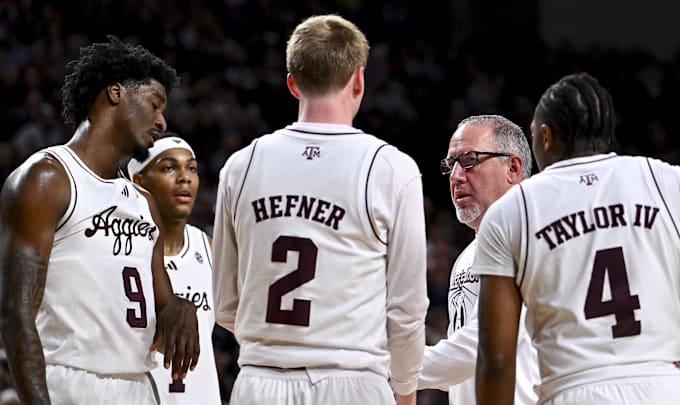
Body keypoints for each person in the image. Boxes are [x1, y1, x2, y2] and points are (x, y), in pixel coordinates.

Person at [212, 14, 428, 405]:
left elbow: (226, 304)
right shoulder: (390, 167)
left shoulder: (241, 166)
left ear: (292, 83)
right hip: (352, 380)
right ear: (359, 79)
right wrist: (406, 387)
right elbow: (407, 309)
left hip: (261, 380)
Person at [472, 72, 680, 405]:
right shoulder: (668, 179)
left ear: (545, 136)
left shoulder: (512, 210)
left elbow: (496, 361)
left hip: (574, 393)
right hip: (665, 389)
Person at [0, 35, 199, 405]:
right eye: (155, 106)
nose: (162, 121)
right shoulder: (48, 178)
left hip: (138, 383)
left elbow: (161, 305)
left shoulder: (144, 201)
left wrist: (180, 308)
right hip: (70, 382)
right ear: (116, 93)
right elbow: (16, 312)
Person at [418, 115, 539, 404]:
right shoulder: (466, 257)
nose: (456, 176)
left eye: (469, 161)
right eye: (451, 165)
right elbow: (460, 369)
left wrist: (386, 366)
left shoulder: (530, 238)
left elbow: (480, 347)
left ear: (513, 168)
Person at [127, 134, 222, 404]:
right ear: (140, 182)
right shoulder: (122, 251)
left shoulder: (211, 249)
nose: (185, 178)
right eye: (169, 168)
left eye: (191, 168)